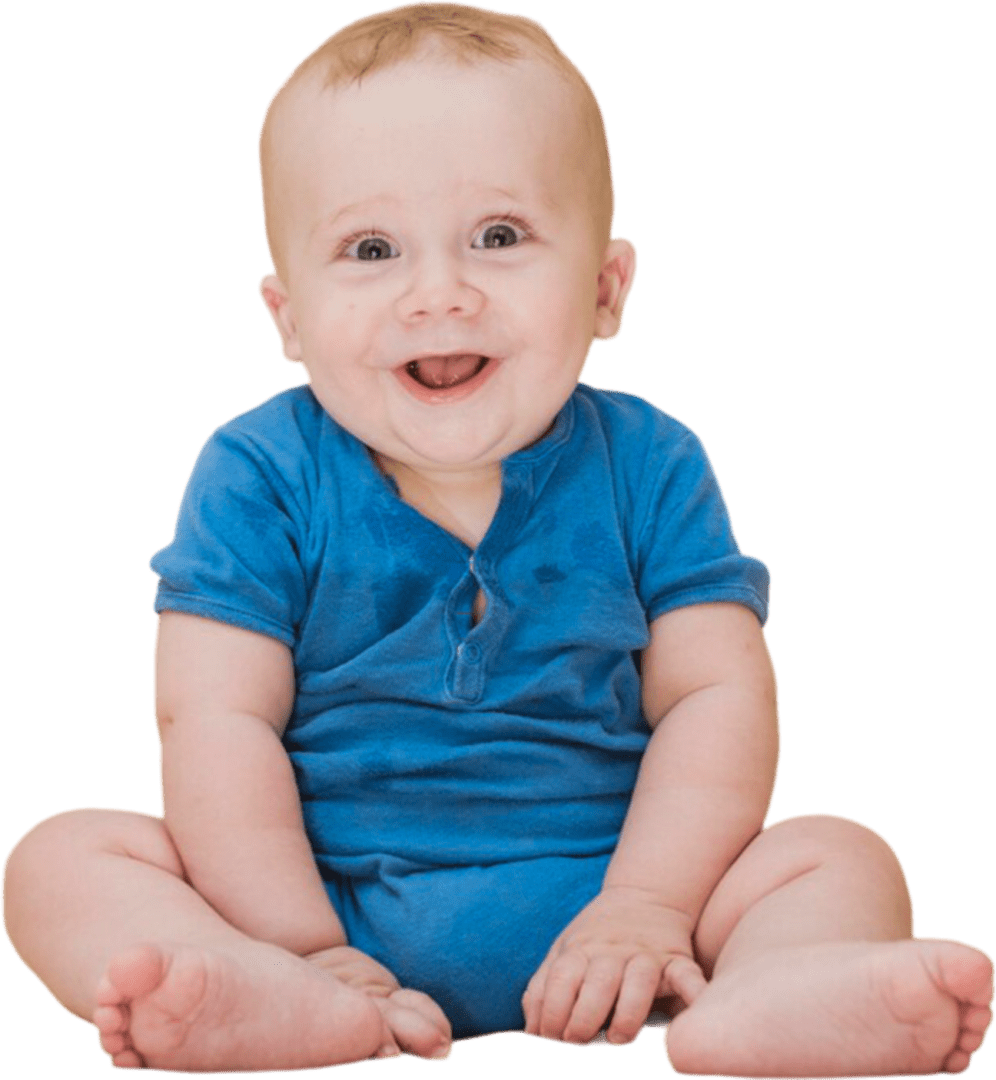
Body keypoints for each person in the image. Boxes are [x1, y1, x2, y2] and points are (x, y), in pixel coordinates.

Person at [2, 3, 993, 1075]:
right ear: (289, 317)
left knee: (839, 854)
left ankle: (766, 1003)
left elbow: (720, 696)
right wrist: (303, 944)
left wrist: (647, 907)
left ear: (607, 287)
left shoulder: (651, 463)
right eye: (371, 248)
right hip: (316, 897)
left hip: (616, 901)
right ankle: (276, 1000)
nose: (439, 293)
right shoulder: (257, 474)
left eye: (500, 236)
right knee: (59, 859)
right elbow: (211, 719)